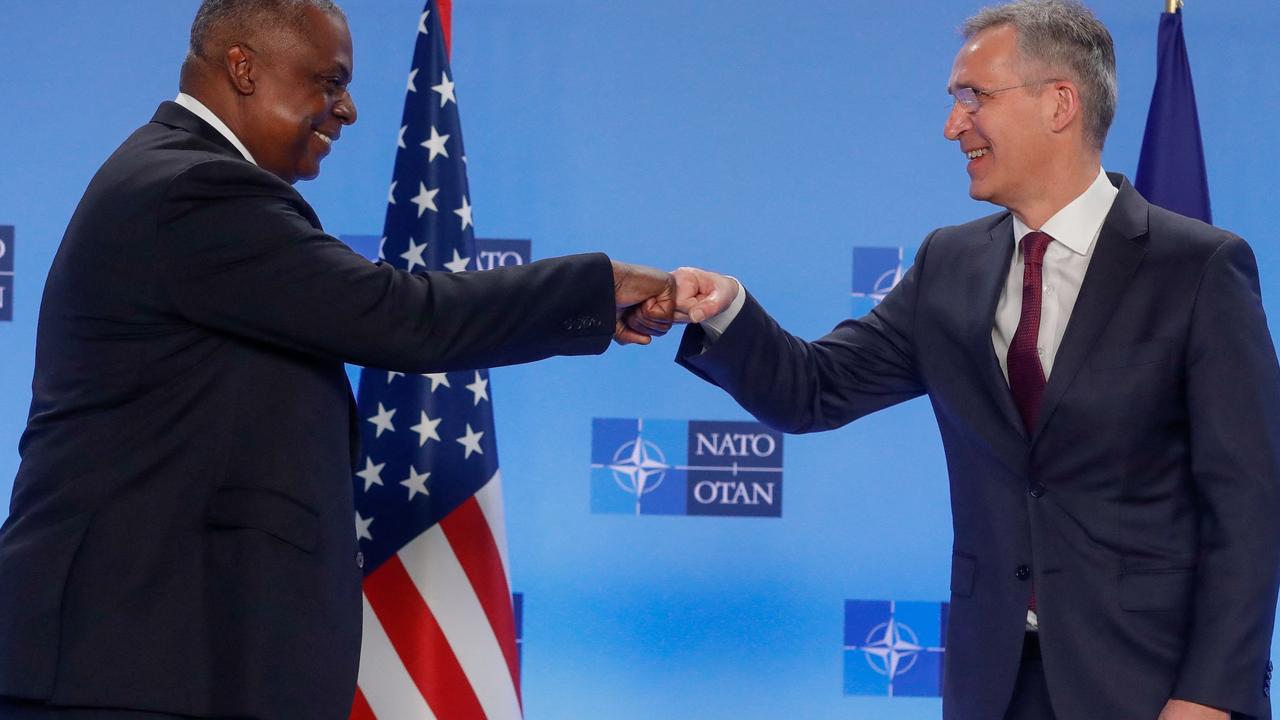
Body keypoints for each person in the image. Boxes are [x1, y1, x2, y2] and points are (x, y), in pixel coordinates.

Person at [0, 1, 673, 718]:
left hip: (152, 665)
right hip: (119, 674)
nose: (347, 109)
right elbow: (404, 316)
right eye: (329, 81)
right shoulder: (193, 190)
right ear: (243, 67)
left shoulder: (179, 181)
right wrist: (601, 287)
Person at [654, 1, 1280, 718]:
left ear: (1059, 103)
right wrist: (727, 308)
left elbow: (1250, 509)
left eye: (972, 97)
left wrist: (1208, 698)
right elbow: (813, 388)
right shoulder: (948, 266)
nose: (953, 126)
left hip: (1151, 689)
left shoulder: (1197, 269)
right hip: (994, 686)